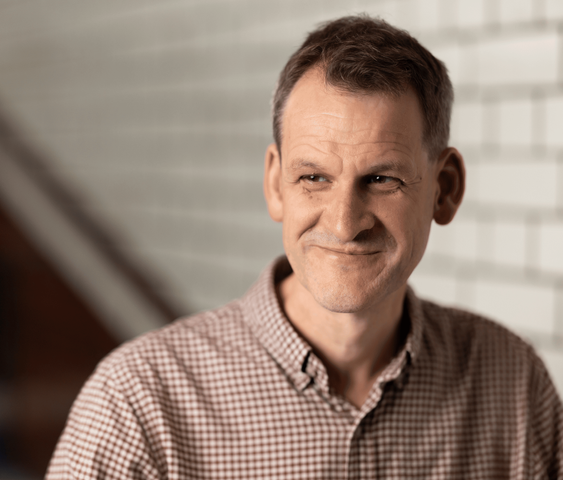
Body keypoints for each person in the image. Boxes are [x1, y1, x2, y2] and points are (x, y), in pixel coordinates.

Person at [47, 15, 563, 479]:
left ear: (444, 189)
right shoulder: (138, 403)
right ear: (275, 184)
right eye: (314, 177)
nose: (343, 224)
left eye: (381, 179)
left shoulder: (512, 383)